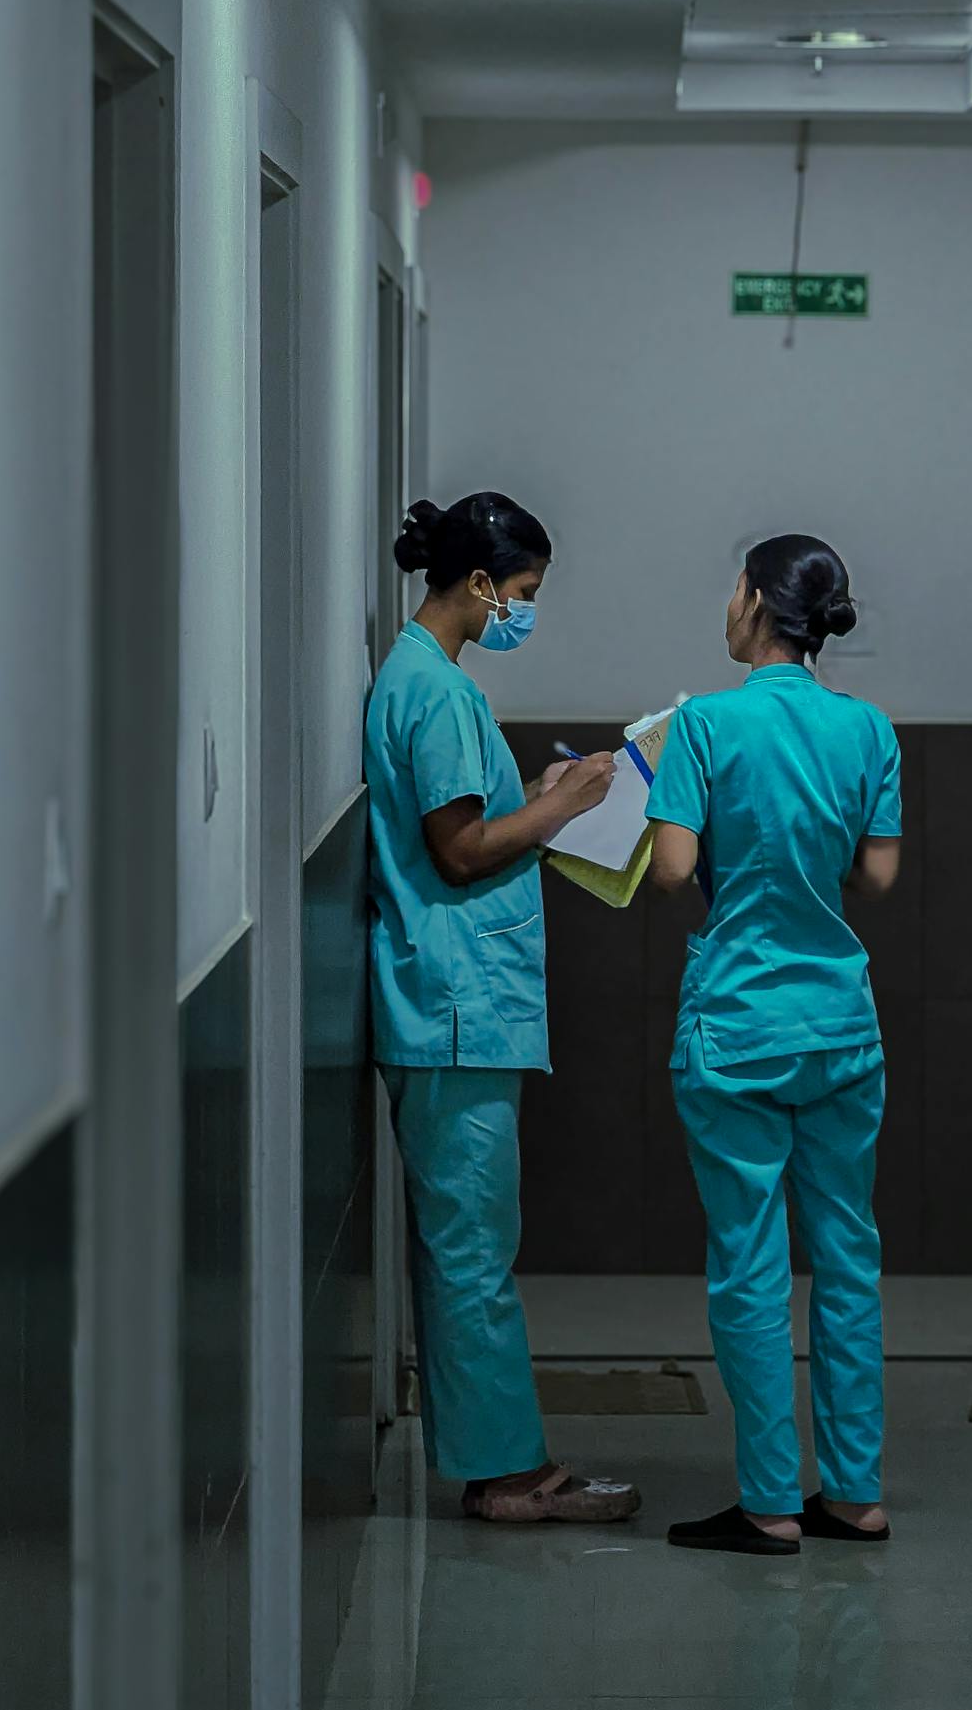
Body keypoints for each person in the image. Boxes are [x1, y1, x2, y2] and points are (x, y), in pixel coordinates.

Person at [365, 489, 642, 1525]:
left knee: (469, 1246)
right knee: (474, 1253)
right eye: (522, 594)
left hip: (454, 1001)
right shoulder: (432, 690)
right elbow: (458, 848)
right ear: (479, 584)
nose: (524, 611)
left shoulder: (428, 679)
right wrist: (560, 808)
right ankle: (509, 1475)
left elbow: (471, 817)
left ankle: (501, 1459)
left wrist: (537, 795)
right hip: (453, 1007)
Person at [647, 535, 902, 1555]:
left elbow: (670, 870)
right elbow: (877, 879)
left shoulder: (704, 725)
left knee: (748, 1266)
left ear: (752, 600)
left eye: (732, 586)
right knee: (847, 1258)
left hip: (736, 1030)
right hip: (840, 1029)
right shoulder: (868, 728)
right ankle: (854, 1493)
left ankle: (766, 1502)